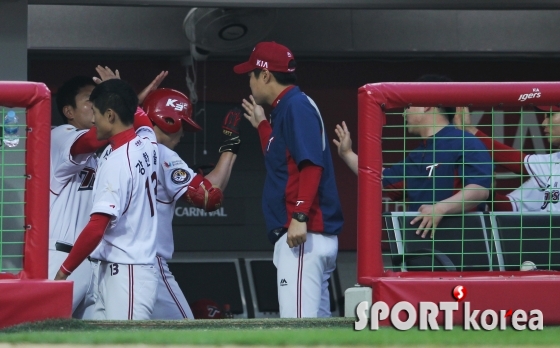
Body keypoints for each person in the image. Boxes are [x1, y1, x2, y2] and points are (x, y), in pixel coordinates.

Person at [235, 41, 343, 318]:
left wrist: (300, 215)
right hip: (308, 235)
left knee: (297, 331)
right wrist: (261, 124)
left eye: (251, 74)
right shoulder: (287, 106)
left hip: (303, 235)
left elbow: (311, 165)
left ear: (266, 75)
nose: (249, 81)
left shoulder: (295, 106)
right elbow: (281, 160)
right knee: (315, 330)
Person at [49, 69, 166, 319]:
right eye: (88, 103)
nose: (94, 112)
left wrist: (120, 101)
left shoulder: (116, 158)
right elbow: (95, 139)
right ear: (68, 111)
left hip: (104, 261)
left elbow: (97, 226)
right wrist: (123, 100)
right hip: (64, 253)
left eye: (98, 105)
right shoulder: (59, 136)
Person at [334, 75, 492, 238]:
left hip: (461, 248)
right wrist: (347, 154)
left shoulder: (466, 142)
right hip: (421, 248)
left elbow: (479, 190)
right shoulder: (418, 153)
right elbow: (379, 178)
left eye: (409, 105)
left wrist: (440, 208)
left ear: (426, 106)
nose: (404, 113)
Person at [141, 88, 240, 320]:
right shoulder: (161, 153)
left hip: (111, 263)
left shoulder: (123, 150)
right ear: (168, 119)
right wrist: (230, 146)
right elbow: (208, 195)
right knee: (186, 330)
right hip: (148, 262)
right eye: (182, 124)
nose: (183, 133)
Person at [453, 105, 560, 212]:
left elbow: (518, 162)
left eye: (551, 115)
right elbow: (511, 207)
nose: (544, 123)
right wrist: (490, 193)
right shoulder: (551, 165)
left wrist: (470, 130)